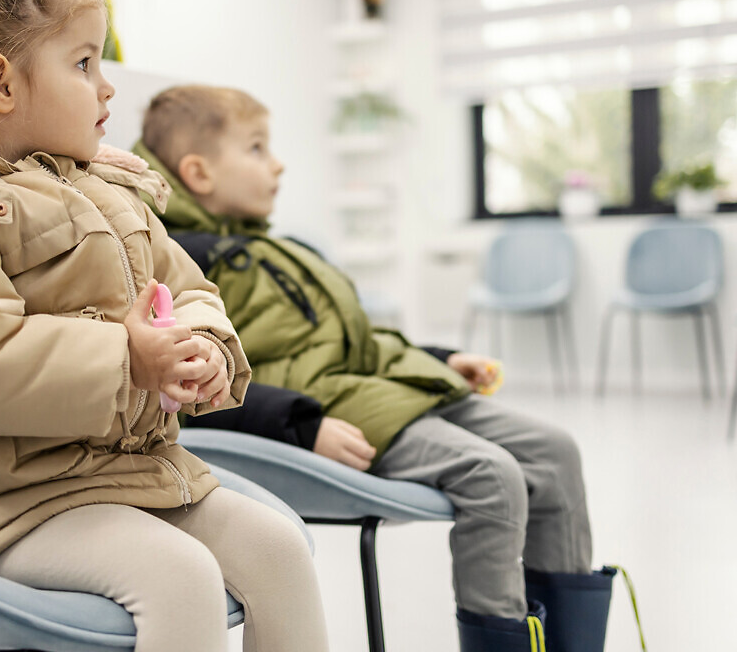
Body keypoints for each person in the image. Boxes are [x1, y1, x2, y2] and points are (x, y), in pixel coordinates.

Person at [0, 0, 329, 652]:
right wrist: (126, 357)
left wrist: (204, 348)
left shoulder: (110, 193)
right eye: (84, 64)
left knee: (278, 551)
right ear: (0, 83)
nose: (107, 88)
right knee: (180, 576)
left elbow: (187, 290)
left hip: (124, 476)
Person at [133, 85, 618, 652]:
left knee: (556, 450)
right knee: (493, 477)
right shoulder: (180, 261)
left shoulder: (273, 248)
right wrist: (302, 425)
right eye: (258, 148)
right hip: (338, 410)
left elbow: (352, 337)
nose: (279, 163)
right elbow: (186, 386)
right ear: (199, 172)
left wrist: (438, 361)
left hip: (375, 388)